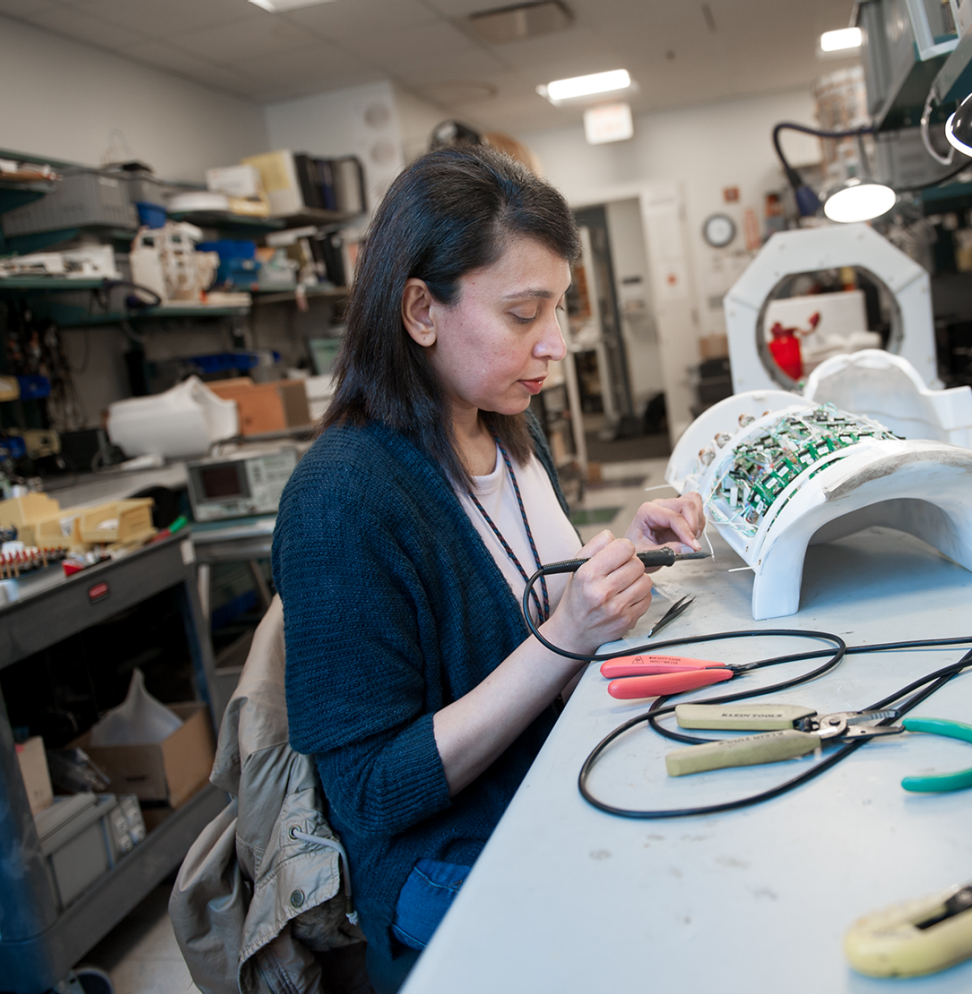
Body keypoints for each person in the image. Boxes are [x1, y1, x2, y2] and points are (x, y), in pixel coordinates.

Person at [271, 145, 705, 990]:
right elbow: (367, 794)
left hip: (548, 769)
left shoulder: (501, 420)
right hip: (446, 855)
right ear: (421, 310)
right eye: (523, 314)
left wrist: (625, 544)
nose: (557, 344)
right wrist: (566, 636)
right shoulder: (341, 499)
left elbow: (516, 590)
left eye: (560, 310)